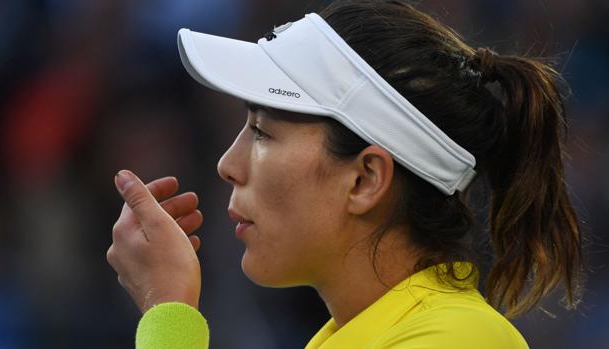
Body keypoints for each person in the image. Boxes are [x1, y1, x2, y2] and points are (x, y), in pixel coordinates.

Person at [106, 0, 583, 348]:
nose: (227, 165)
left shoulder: (459, 338)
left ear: (366, 179)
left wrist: (168, 311)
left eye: (263, 132)